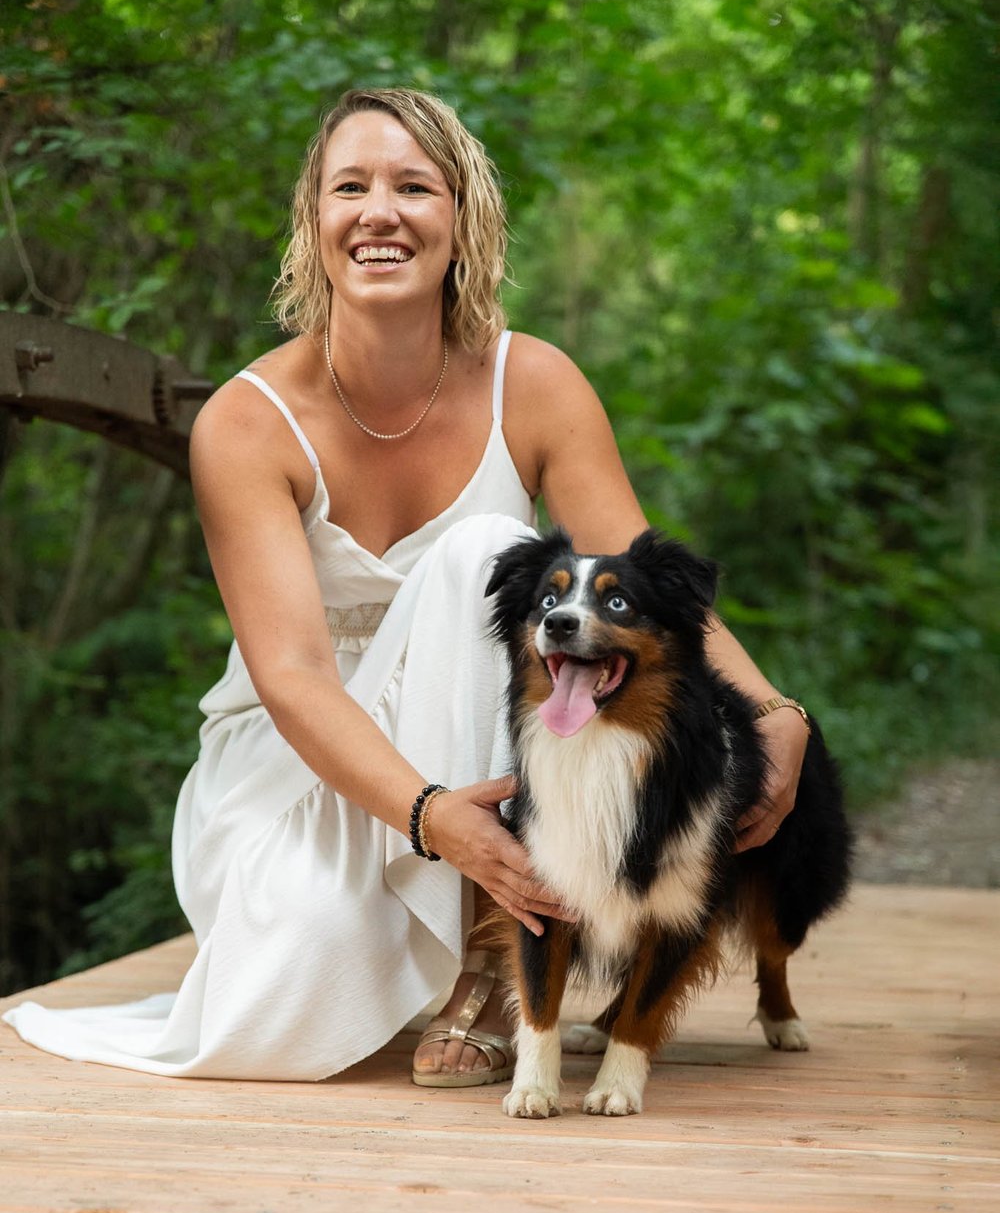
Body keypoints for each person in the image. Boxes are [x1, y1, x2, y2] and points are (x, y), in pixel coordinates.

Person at [3, 89, 809, 1084]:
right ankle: (384, 903)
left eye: (412, 186)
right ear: (314, 224)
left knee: (488, 557)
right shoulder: (247, 424)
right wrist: (433, 817)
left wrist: (772, 709)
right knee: (286, 1010)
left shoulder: (536, 383)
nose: (378, 211)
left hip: (490, 747)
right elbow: (294, 674)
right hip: (296, 760)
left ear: (462, 222)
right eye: (350, 187)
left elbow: (640, 576)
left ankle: (491, 974)